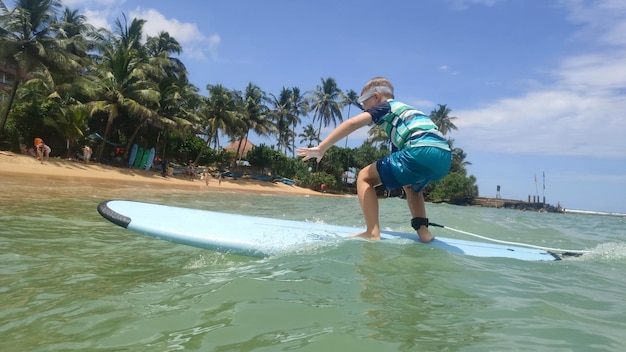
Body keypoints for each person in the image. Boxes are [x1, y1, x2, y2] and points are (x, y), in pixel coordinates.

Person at [297, 77, 451, 242]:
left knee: (364, 177)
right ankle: (424, 233)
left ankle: (372, 231)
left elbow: (351, 123)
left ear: (376, 97)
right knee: (412, 187)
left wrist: (321, 148)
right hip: (445, 157)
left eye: (364, 102)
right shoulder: (407, 113)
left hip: (419, 149)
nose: (363, 107)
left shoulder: (386, 107)